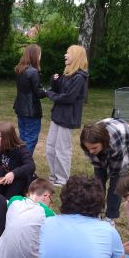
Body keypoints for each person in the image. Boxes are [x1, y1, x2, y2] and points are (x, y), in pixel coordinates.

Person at [42, 45, 89, 186]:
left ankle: (62, 179)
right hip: (57, 115)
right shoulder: (68, 73)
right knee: (50, 147)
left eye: (68, 53)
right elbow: (58, 90)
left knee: (62, 149)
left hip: (67, 118)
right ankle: (53, 176)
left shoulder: (79, 77)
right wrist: (54, 81)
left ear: (76, 57)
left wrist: (49, 94)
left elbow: (68, 98)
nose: (65, 55)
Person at [0, 178, 55, 258]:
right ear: (46, 196)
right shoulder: (48, 213)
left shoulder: (15, 200)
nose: (50, 204)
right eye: (51, 201)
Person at [80, 118, 129, 226]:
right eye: (88, 148)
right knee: (98, 183)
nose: (90, 151)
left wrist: (113, 177)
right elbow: (97, 164)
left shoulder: (115, 142)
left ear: (103, 142)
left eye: (94, 148)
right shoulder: (87, 142)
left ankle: (110, 217)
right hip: (110, 137)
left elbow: (115, 172)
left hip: (125, 140)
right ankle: (96, 212)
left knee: (116, 186)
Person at [13, 44, 43, 153]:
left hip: (20, 108)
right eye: (39, 54)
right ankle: (25, 162)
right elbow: (38, 93)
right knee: (30, 140)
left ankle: (19, 160)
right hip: (31, 111)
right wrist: (49, 90)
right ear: (35, 55)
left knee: (23, 137)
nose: (40, 56)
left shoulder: (19, 69)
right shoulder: (33, 72)